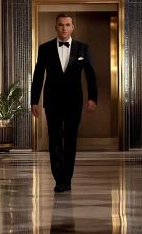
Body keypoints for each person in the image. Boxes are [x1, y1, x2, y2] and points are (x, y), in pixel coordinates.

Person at [31, 13, 98, 193]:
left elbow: (91, 76)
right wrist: (34, 101)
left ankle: (67, 178)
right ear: (56, 27)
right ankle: (58, 179)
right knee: (54, 139)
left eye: (67, 25)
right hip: (52, 101)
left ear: (72, 27)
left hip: (74, 101)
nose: (64, 28)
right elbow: (38, 76)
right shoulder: (45, 49)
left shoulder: (83, 48)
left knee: (70, 140)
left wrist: (93, 98)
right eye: (61, 25)